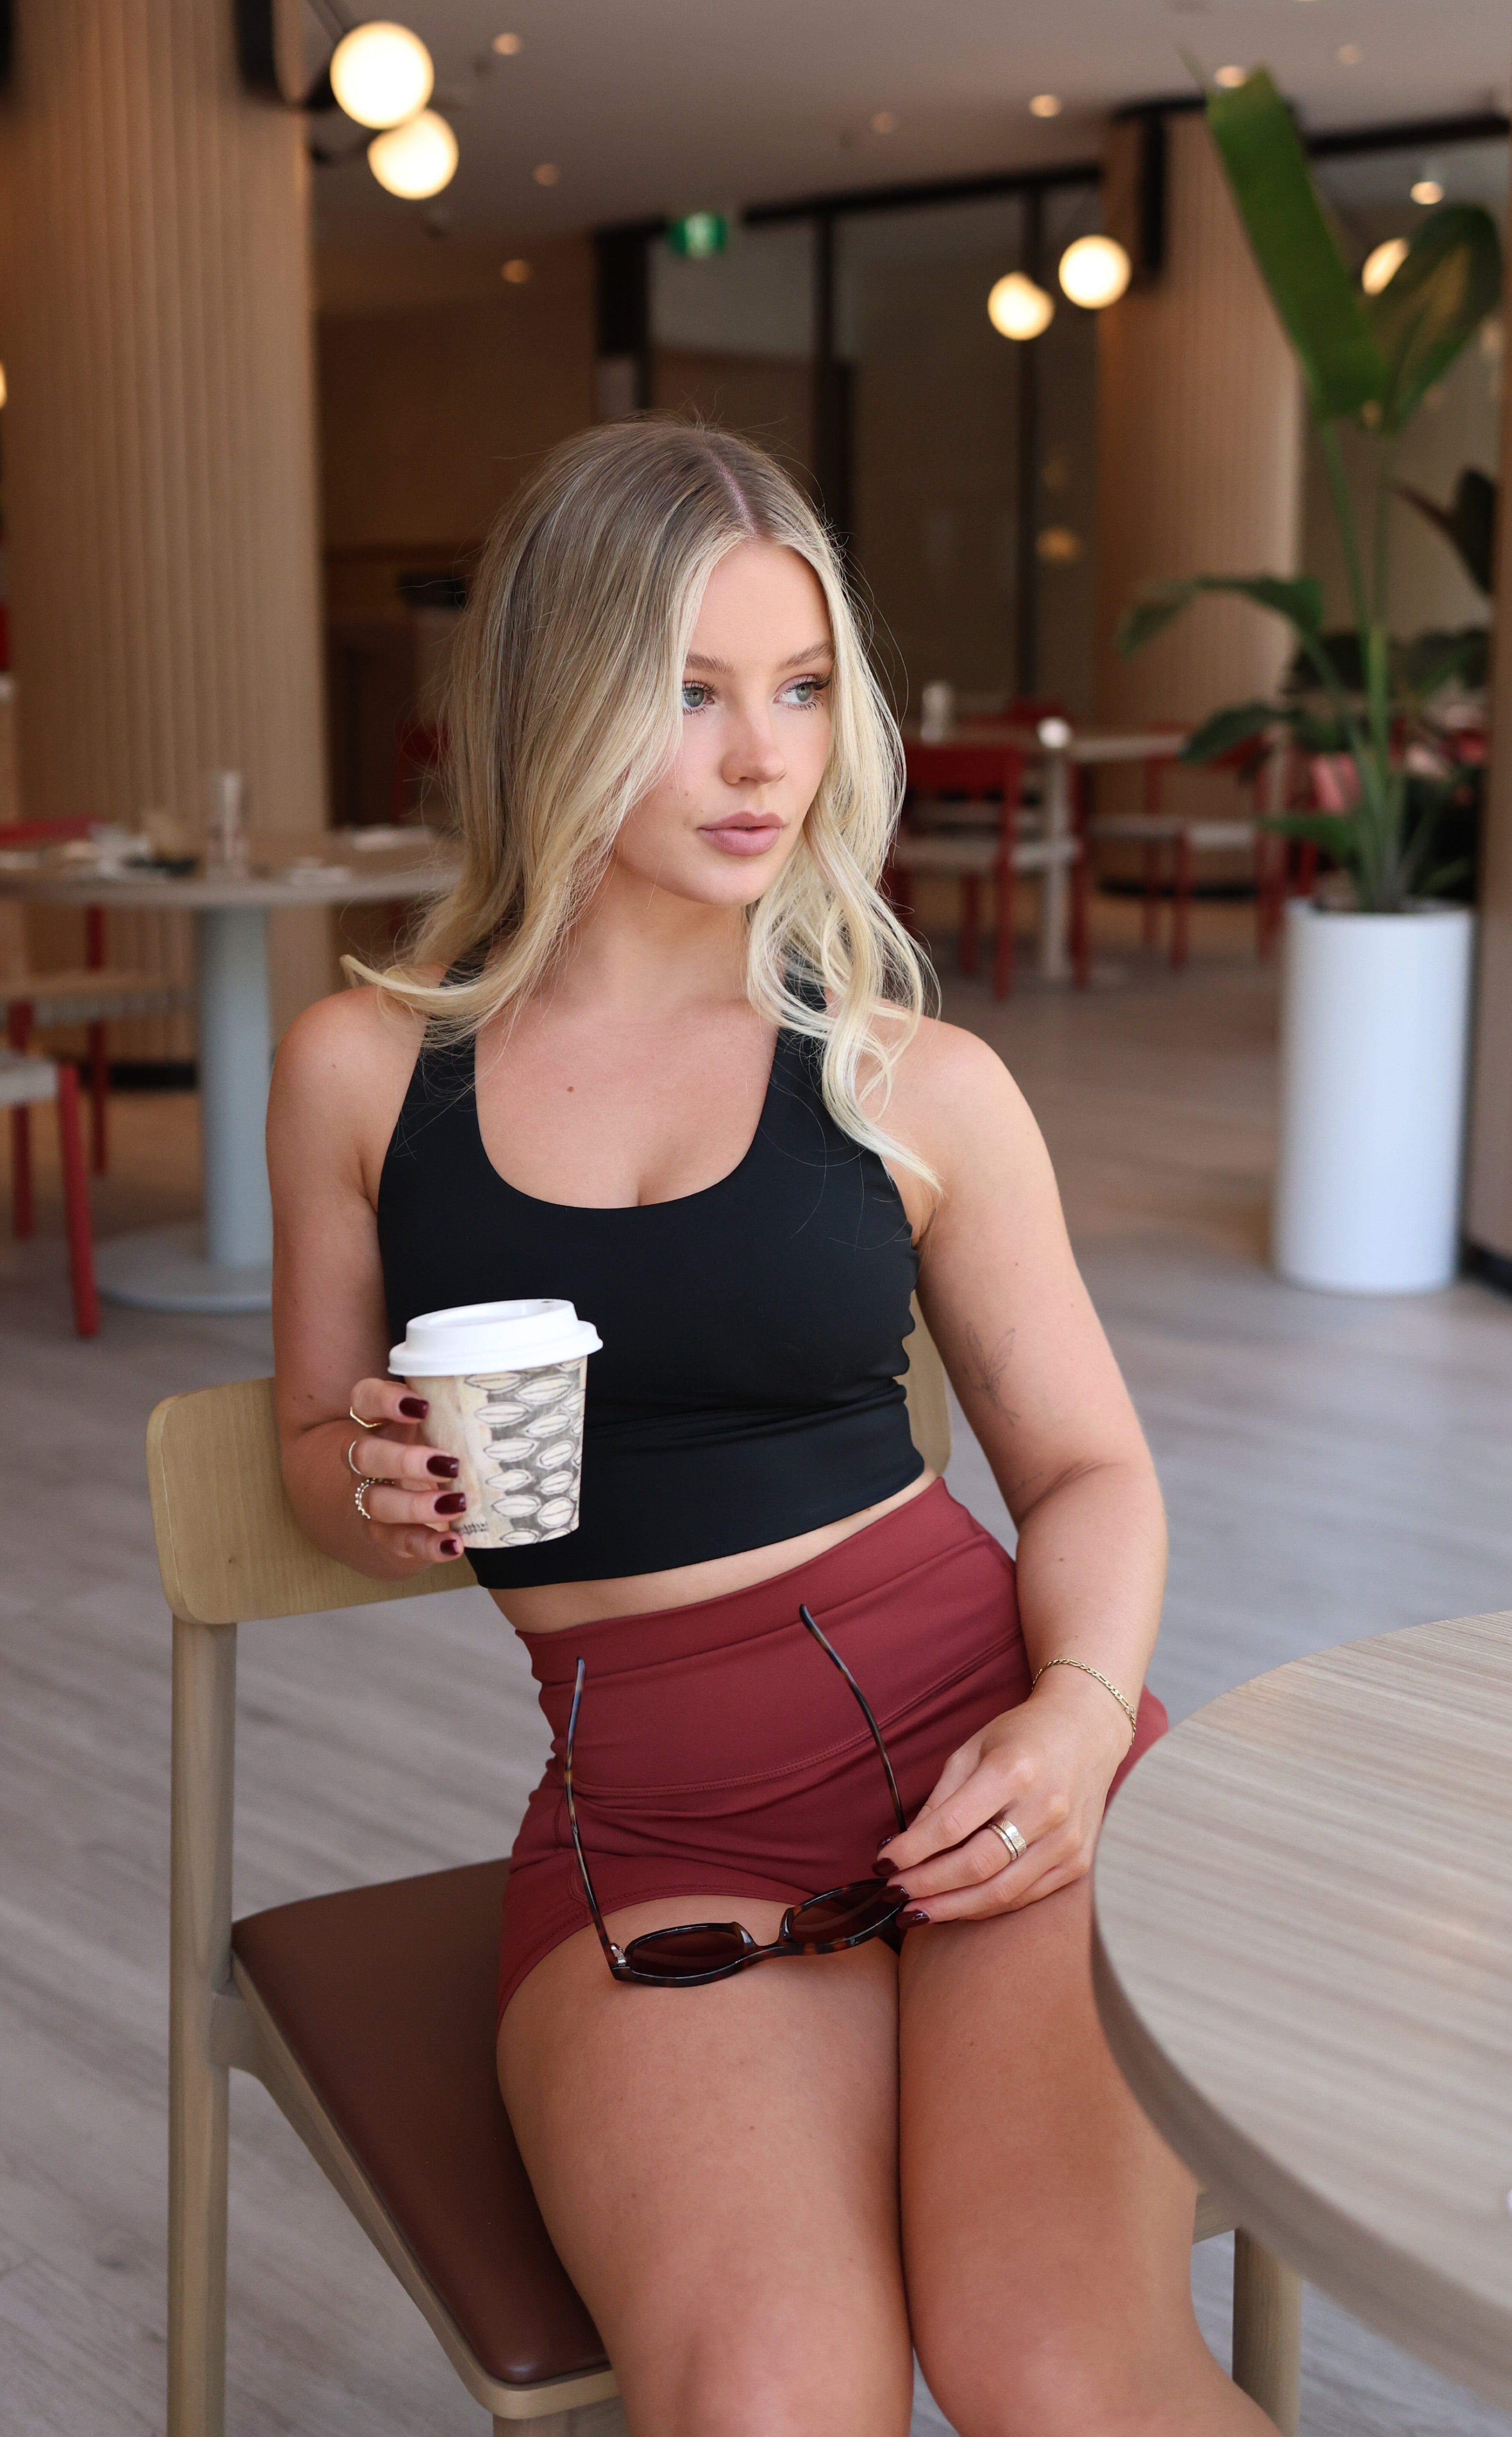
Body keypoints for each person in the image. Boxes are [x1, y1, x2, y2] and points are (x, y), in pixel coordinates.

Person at [269, 420, 1272, 2437]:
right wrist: (377, 1488)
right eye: (691, 693)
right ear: (556, 701)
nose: (762, 759)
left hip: (1001, 1756)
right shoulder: (366, 1070)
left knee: (1056, 2366)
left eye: (800, 688)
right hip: (659, 1838)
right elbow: (314, 1444)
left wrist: (1078, 1720)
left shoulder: (913, 1078)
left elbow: (1090, 1473)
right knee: (766, 2402)